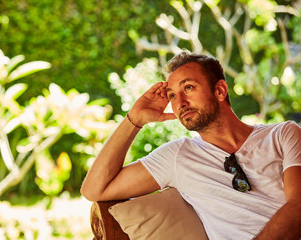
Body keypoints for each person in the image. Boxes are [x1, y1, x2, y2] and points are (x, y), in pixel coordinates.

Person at [80, 52, 301, 240]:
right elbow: (93, 190)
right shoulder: (177, 156)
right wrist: (134, 120)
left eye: (188, 87)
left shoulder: (283, 135)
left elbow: (298, 205)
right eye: (172, 95)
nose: (179, 103)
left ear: (220, 91)